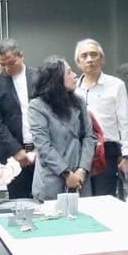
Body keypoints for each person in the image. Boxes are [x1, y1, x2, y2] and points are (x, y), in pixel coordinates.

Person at [30, 57, 97, 201]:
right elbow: (43, 146)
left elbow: (89, 136)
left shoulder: (79, 102)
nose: (75, 75)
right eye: (69, 72)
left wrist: (82, 170)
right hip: (52, 180)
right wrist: (66, 173)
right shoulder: (37, 106)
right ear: (56, 79)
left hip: (80, 179)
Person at [75, 38, 128, 197]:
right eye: (84, 56)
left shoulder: (116, 85)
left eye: (94, 54)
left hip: (107, 152)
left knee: (104, 199)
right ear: (78, 62)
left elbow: (125, 123)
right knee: (82, 199)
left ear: (102, 59)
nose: (89, 59)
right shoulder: (73, 89)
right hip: (80, 152)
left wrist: (126, 155)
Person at [0, 39, 38, 199]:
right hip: (13, 154)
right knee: (19, 202)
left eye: (11, 63)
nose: (6, 68)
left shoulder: (39, 77)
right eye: (1, 64)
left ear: (21, 56)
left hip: (41, 149)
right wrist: (16, 150)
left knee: (45, 200)